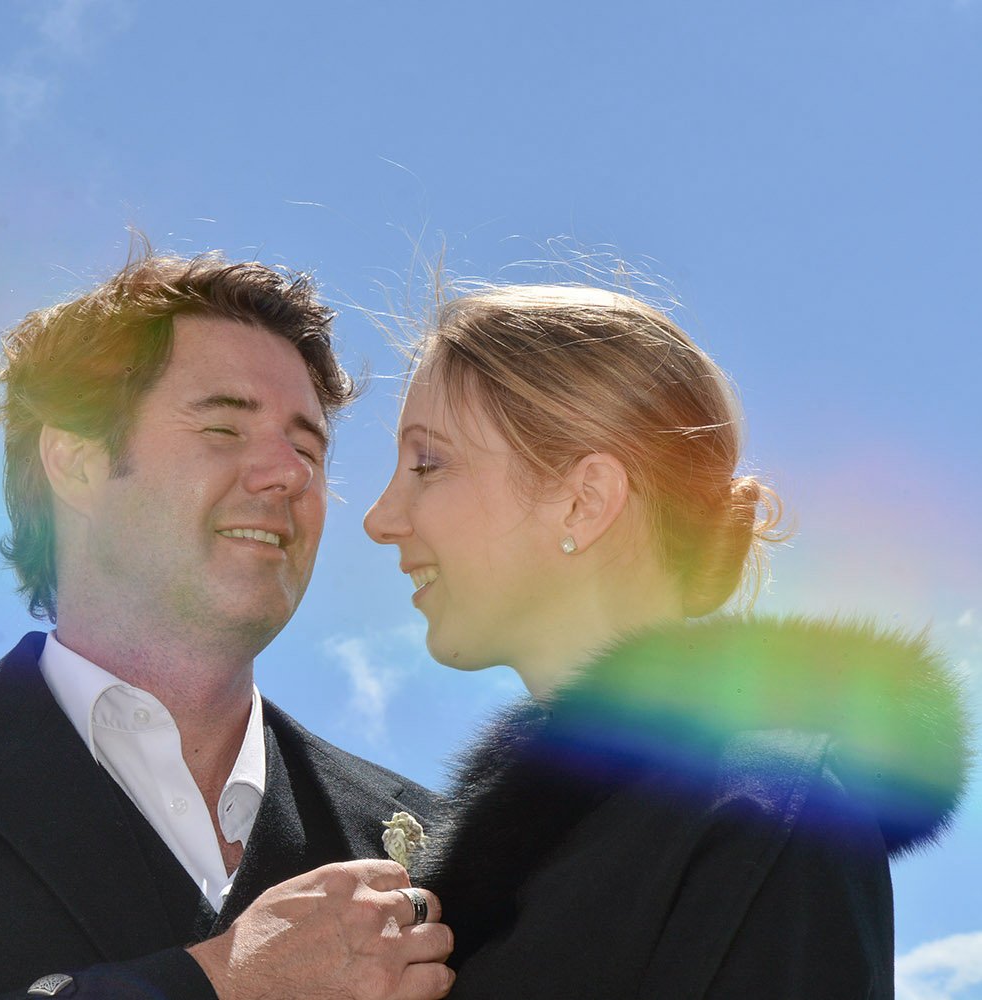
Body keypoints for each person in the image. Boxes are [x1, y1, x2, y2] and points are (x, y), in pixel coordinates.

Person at [0, 250, 455, 1000]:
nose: (290, 473)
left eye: (307, 448)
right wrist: (223, 983)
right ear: (74, 463)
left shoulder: (430, 839)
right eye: (223, 429)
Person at [363, 283, 971, 997]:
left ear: (583, 501)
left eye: (427, 464)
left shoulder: (771, 820)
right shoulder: (508, 845)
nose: (380, 518)